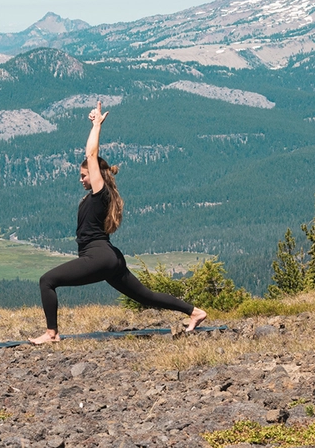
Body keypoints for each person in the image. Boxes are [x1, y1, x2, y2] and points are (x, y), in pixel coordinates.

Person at [28, 102, 207, 344]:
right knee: (145, 296)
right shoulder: (99, 197)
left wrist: (96, 126)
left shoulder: (100, 193)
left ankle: (51, 334)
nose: (80, 179)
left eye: (83, 175)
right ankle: (195, 312)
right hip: (110, 257)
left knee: (47, 281)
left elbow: (91, 154)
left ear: (95, 175)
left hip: (99, 258)